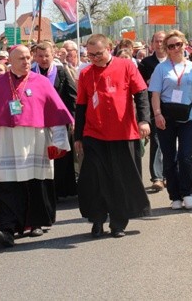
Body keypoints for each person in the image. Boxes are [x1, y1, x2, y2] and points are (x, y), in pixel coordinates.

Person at [0, 45, 73, 247]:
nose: (26, 62)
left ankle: (36, 223)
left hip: (36, 141)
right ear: (10, 61)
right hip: (5, 141)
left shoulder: (42, 82)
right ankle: (6, 228)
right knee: (6, 185)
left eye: (28, 57)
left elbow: (57, 113)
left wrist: (59, 141)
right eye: (21, 58)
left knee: (35, 183)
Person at [75, 34, 151, 238]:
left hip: (123, 133)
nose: (94, 58)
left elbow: (141, 94)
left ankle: (118, 223)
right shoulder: (85, 73)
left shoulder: (126, 66)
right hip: (94, 134)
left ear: (109, 47)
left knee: (120, 180)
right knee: (95, 180)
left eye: (98, 53)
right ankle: (97, 220)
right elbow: (81, 106)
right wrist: (78, 137)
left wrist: (144, 120)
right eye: (90, 55)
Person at [149, 30, 192, 210]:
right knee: (169, 158)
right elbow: (155, 94)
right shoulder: (161, 68)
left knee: (185, 156)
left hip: (188, 116)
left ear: (185, 45)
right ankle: (174, 196)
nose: (175, 48)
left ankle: (186, 192)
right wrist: (157, 114)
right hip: (166, 117)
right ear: (166, 49)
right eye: (171, 46)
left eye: (178, 44)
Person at [32, 42, 77, 199]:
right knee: (41, 154)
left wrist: (73, 119)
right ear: (35, 57)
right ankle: (45, 189)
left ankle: (61, 189)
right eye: (40, 56)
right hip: (38, 121)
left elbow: (72, 96)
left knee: (60, 155)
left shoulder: (61, 72)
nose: (44, 59)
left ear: (53, 55)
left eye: (47, 56)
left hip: (59, 120)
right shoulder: (30, 73)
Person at [138, 31, 168, 191]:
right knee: (156, 140)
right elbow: (140, 86)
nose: (159, 44)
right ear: (152, 44)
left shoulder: (173, 60)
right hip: (154, 107)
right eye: (156, 41)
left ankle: (168, 174)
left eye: (162, 40)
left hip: (172, 106)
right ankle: (157, 177)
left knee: (171, 141)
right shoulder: (145, 63)